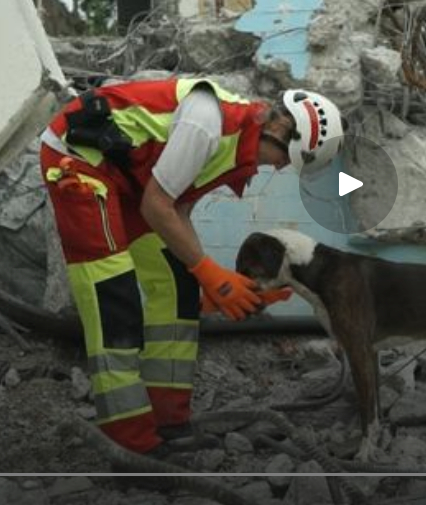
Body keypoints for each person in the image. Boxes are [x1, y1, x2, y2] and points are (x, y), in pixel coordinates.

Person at [39, 76, 346, 455]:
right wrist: (210, 273)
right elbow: (157, 206)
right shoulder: (206, 124)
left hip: (129, 178)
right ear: (280, 128)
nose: (281, 168)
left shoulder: (236, 144)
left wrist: (208, 281)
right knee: (112, 300)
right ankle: (131, 444)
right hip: (80, 163)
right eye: (286, 158)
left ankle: (169, 422)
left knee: (179, 285)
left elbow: (178, 208)